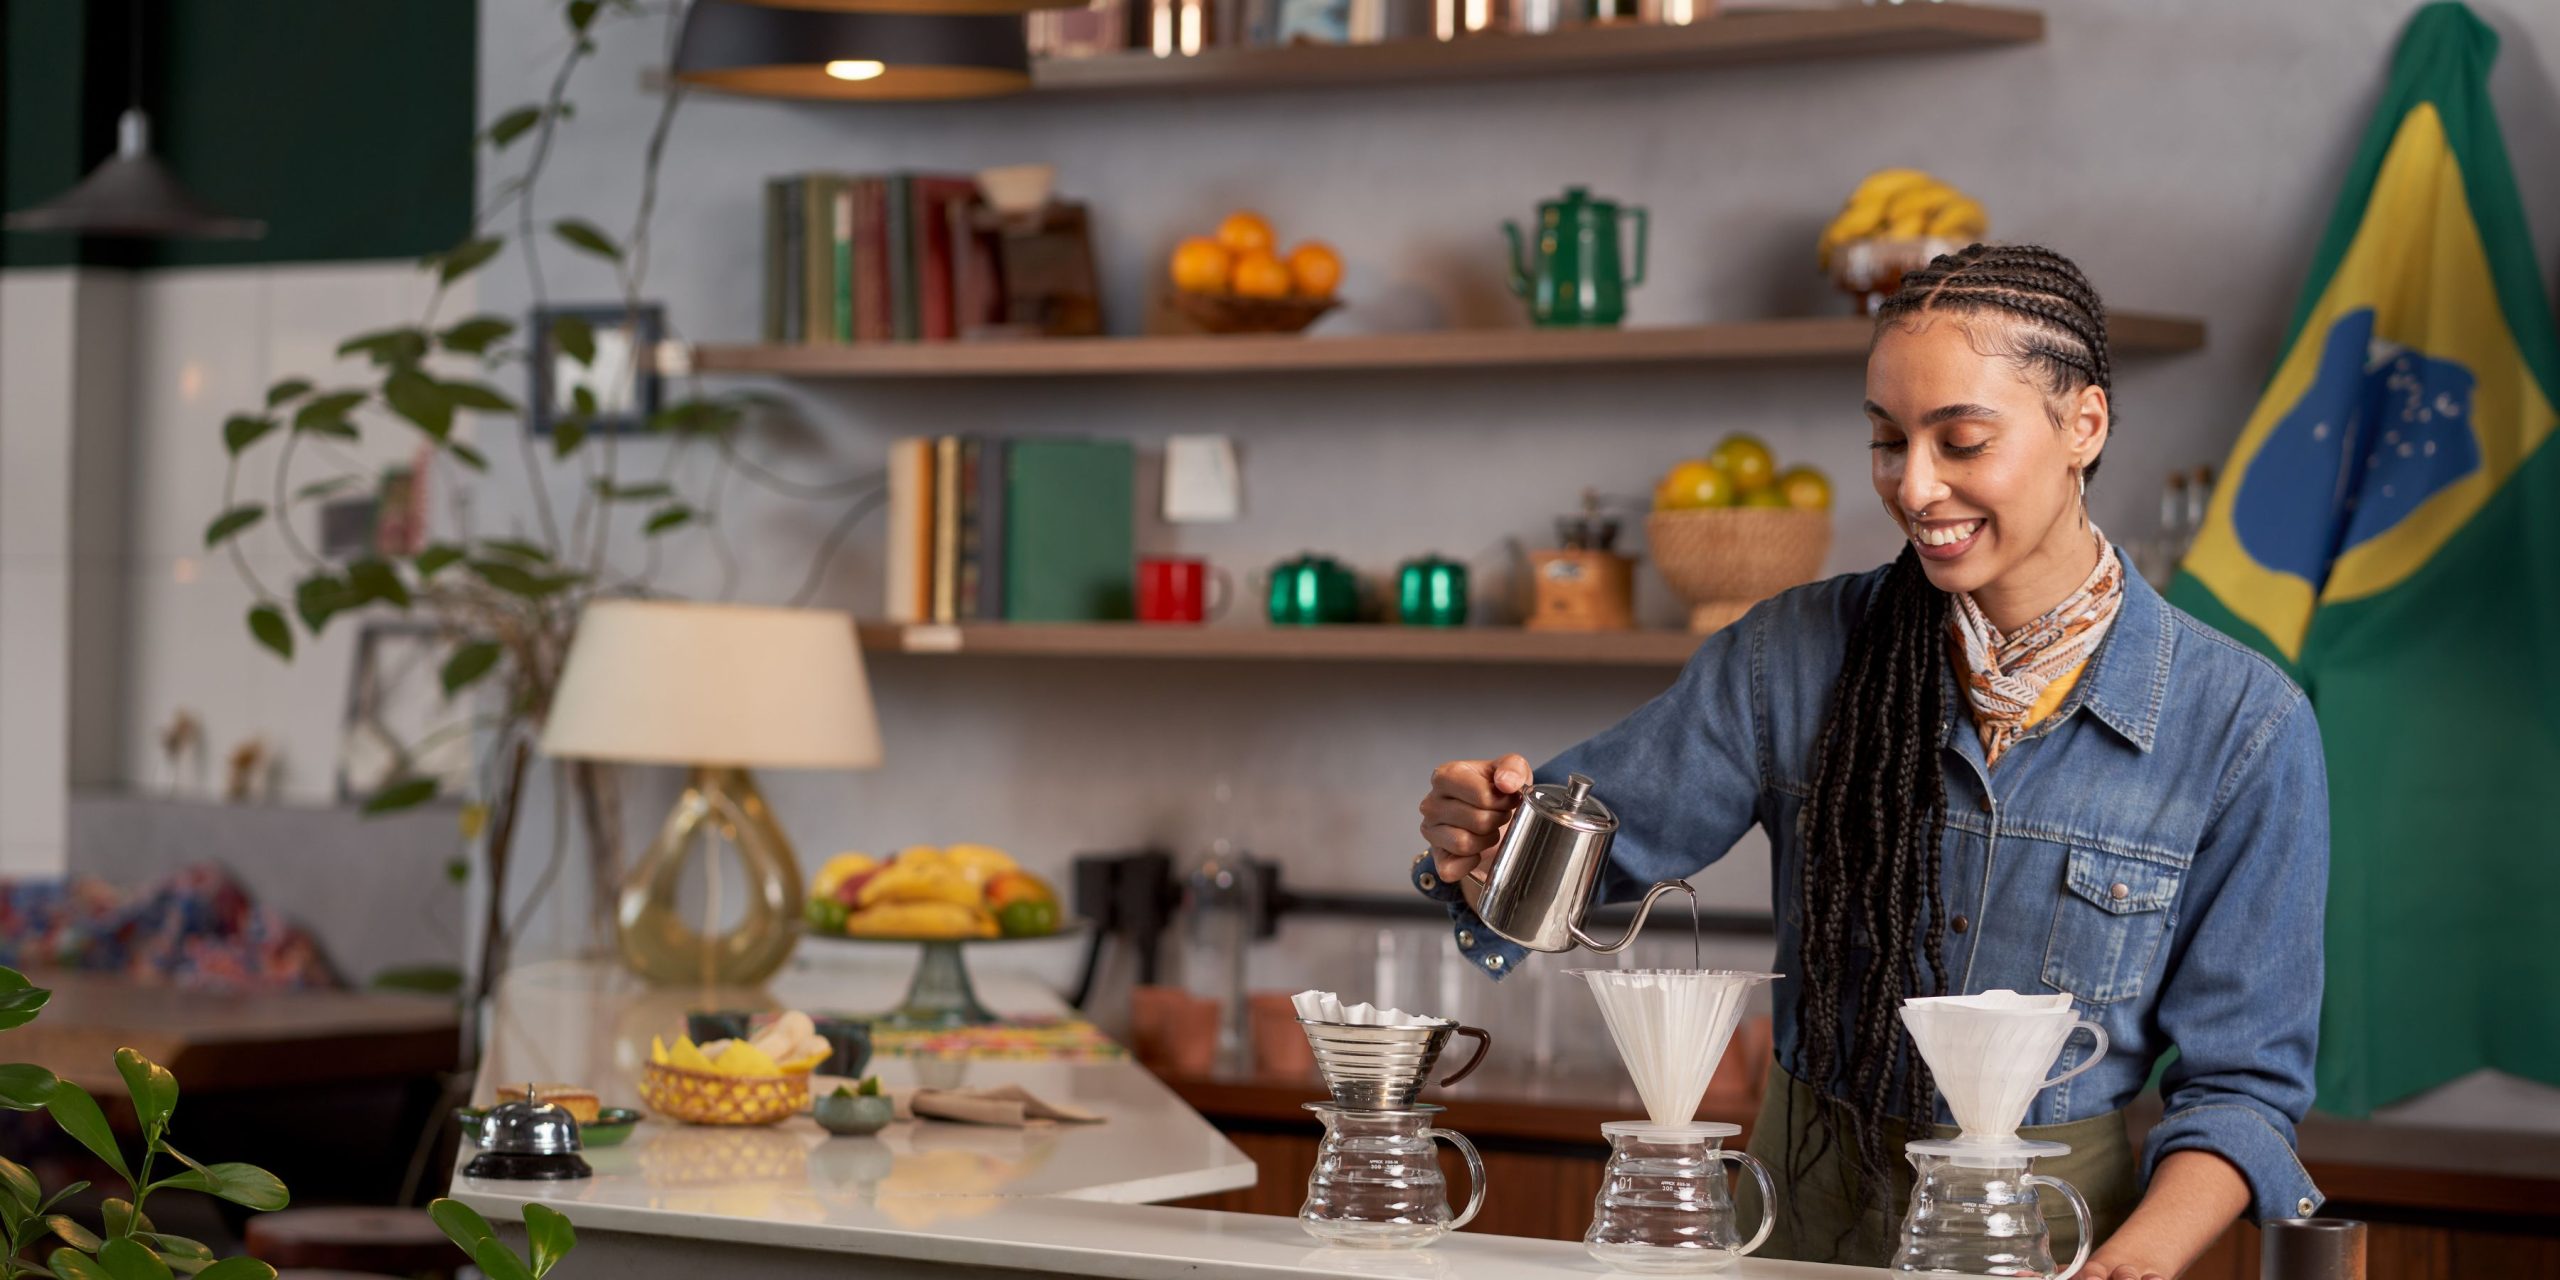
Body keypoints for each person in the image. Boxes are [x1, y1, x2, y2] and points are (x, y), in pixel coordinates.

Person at [1413, 244, 2327, 1280]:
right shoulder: (1787, 657)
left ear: (2085, 424)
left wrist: (2139, 1261)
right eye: (1888, 440)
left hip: (2060, 1240)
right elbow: (1576, 861)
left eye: (1962, 439)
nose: (1915, 484)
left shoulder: (2243, 724)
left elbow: (2243, 1086)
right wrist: (1480, 836)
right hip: (1798, 1224)